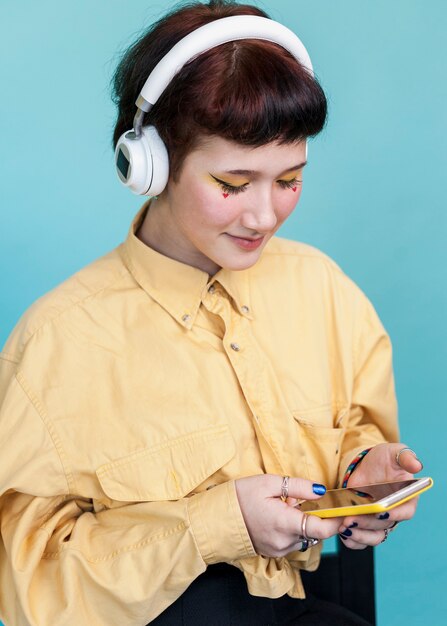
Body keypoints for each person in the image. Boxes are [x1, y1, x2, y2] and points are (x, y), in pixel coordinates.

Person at [0, 1, 424, 625]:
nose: (264, 216)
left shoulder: (326, 290)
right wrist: (215, 525)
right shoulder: (59, 340)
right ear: (150, 163)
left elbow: (357, 433)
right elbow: (26, 576)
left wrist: (364, 472)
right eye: (233, 182)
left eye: (289, 180)